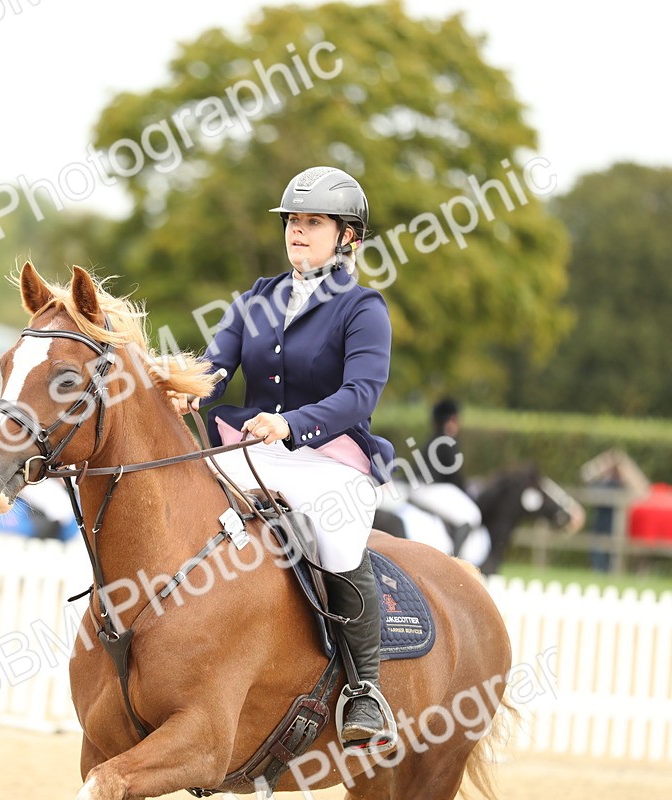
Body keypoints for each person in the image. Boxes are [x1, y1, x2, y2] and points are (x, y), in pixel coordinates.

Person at [171, 166, 394, 749]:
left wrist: (293, 424)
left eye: (312, 222)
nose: (297, 232)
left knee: (339, 540)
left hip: (329, 457)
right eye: (294, 221)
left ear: (349, 237)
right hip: (249, 450)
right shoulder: (255, 299)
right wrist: (180, 388)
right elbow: (216, 367)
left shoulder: (363, 308)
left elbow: (361, 394)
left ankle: (364, 690)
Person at [408, 398, 483, 548]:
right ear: (450, 420)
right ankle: (454, 559)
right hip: (430, 489)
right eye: (456, 419)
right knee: (470, 516)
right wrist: (469, 493)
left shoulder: (432, 439)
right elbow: (455, 477)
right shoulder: (447, 442)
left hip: (419, 487)